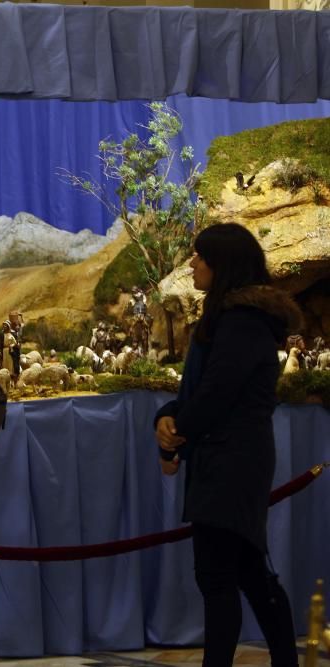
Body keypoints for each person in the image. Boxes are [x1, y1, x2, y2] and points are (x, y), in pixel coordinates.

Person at [154, 223, 300, 667]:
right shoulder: (224, 320)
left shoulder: (244, 323)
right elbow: (198, 391)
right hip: (222, 459)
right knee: (248, 573)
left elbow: (217, 395)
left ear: (224, 265)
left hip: (233, 464)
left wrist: (175, 437)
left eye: (200, 256)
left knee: (219, 576)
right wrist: (162, 418)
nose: (193, 264)